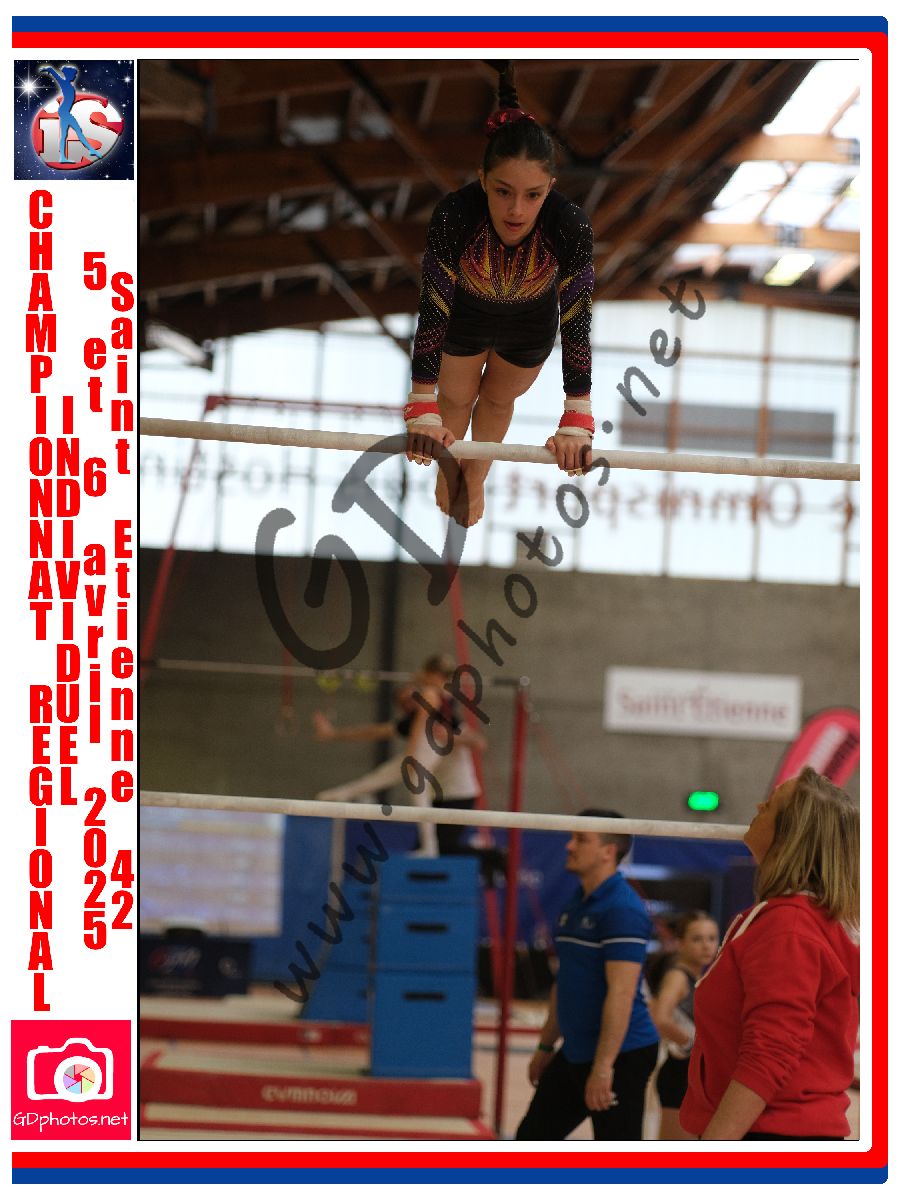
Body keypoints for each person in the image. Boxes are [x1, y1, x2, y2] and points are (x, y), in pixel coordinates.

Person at [404, 61, 596, 528]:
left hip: (529, 326)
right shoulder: (455, 214)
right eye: (503, 191)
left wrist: (577, 413)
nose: (516, 210)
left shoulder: (570, 226)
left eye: (533, 195)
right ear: (482, 179)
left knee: (496, 401)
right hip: (462, 316)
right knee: (455, 399)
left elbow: (577, 316)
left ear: (550, 188)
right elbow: (433, 305)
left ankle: (476, 476)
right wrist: (421, 402)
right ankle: (452, 469)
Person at [681, 768, 860, 1140]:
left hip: (773, 1135)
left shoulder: (789, 928)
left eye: (771, 804)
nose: (758, 806)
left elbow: (769, 1052)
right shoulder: (794, 918)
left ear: (790, 836)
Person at [516, 809, 659, 1140]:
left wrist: (604, 1067)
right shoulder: (576, 903)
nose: (569, 846)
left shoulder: (623, 909)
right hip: (576, 1049)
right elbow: (565, 982)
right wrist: (546, 1045)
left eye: (581, 840)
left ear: (608, 851)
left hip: (621, 1055)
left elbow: (621, 993)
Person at [312, 655, 498, 873]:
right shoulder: (423, 707)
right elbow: (374, 731)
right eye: (403, 702)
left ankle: (430, 848)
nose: (408, 703)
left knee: (419, 798)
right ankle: (340, 794)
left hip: (453, 784)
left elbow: (467, 739)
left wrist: (413, 752)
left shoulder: (432, 695)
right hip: (434, 776)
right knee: (384, 776)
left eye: (410, 698)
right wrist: (333, 734)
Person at [645, 911, 719, 1140]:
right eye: (697, 939)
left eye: (712, 938)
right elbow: (660, 1017)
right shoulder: (677, 976)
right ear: (680, 943)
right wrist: (691, 1044)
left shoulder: (698, 977)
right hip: (679, 1075)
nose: (706, 946)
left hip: (693, 1074)